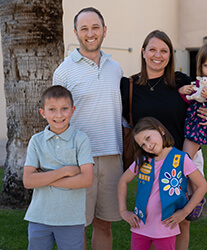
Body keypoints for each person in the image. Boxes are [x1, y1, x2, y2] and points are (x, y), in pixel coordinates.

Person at [120, 30, 207, 250]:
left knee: (181, 222)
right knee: (153, 217)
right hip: (151, 163)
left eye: (164, 50)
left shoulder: (181, 81)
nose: (158, 55)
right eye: (153, 49)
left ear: (170, 55)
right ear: (143, 52)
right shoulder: (129, 86)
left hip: (186, 159)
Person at [53, 7, 123, 250]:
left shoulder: (116, 68)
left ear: (104, 31)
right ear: (75, 32)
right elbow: (56, 119)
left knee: (104, 223)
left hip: (113, 156)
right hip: (78, 159)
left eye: (95, 27)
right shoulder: (64, 71)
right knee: (77, 225)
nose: (90, 33)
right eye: (84, 28)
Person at [118, 117, 207, 250]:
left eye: (148, 138)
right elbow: (123, 181)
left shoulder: (181, 159)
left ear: (161, 131)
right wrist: (123, 211)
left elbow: (202, 186)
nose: (147, 145)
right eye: (142, 144)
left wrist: (184, 212)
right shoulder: (143, 161)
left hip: (166, 227)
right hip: (140, 226)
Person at [23, 85, 94, 250]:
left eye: (64, 109)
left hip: (71, 219)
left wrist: (43, 178)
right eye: (52, 109)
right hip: (39, 217)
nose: (59, 115)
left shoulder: (81, 139)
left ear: (72, 110)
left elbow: (86, 179)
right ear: (43, 113)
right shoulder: (36, 140)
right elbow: (28, 181)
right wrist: (66, 171)